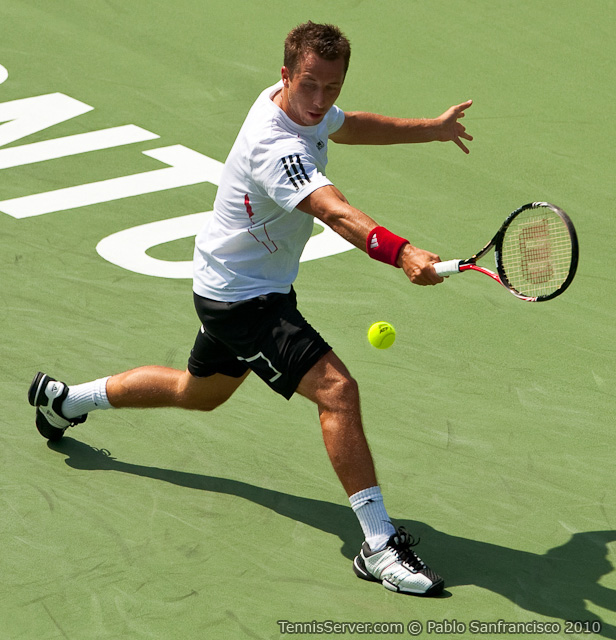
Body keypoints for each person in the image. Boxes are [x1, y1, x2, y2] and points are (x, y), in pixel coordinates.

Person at [28, 21, 472, 596]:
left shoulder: (298, 107)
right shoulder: (276, 144)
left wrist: (431, 130)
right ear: (285, 75)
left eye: (331, 88)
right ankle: (378, 546)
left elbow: (349, 125)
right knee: (338, 392)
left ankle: (64, 400)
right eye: (309, 86)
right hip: (241, 299)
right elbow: (334, 212)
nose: (319, 103)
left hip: (233, 283)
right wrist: (402, 252)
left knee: (199, 393)